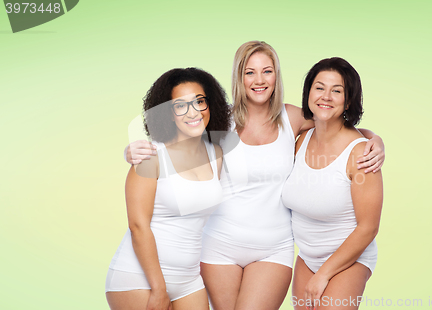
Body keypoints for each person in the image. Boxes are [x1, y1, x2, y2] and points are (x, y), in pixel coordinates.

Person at [125, 41, 385, 310]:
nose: (259, 80)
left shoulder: (292, 117)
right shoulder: (219, 119)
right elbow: (175, 142)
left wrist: (375, 139)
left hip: (274, 248)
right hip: (218, 245)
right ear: (239, 77)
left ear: (276, 75)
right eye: (250, 72)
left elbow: (335, 125)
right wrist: (134, 150)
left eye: (267, 71)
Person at [106, 67, 231, 310]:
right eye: (180, 105)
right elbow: (138, 226)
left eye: (199, 101)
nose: (192, 112)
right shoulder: (151, 156)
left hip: (189, 280)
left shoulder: (215, 153)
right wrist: (159, 289)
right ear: (168, 113)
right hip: (139, 279)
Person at [282, 57, 383, 310]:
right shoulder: (298, 140)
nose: (326, 96)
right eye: (319, 87)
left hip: (349, 259)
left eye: (337, 90)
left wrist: (324, 274)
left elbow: (368, 228)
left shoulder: (360, 155)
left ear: (348, 100)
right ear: (308, 93)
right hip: (307, 257)